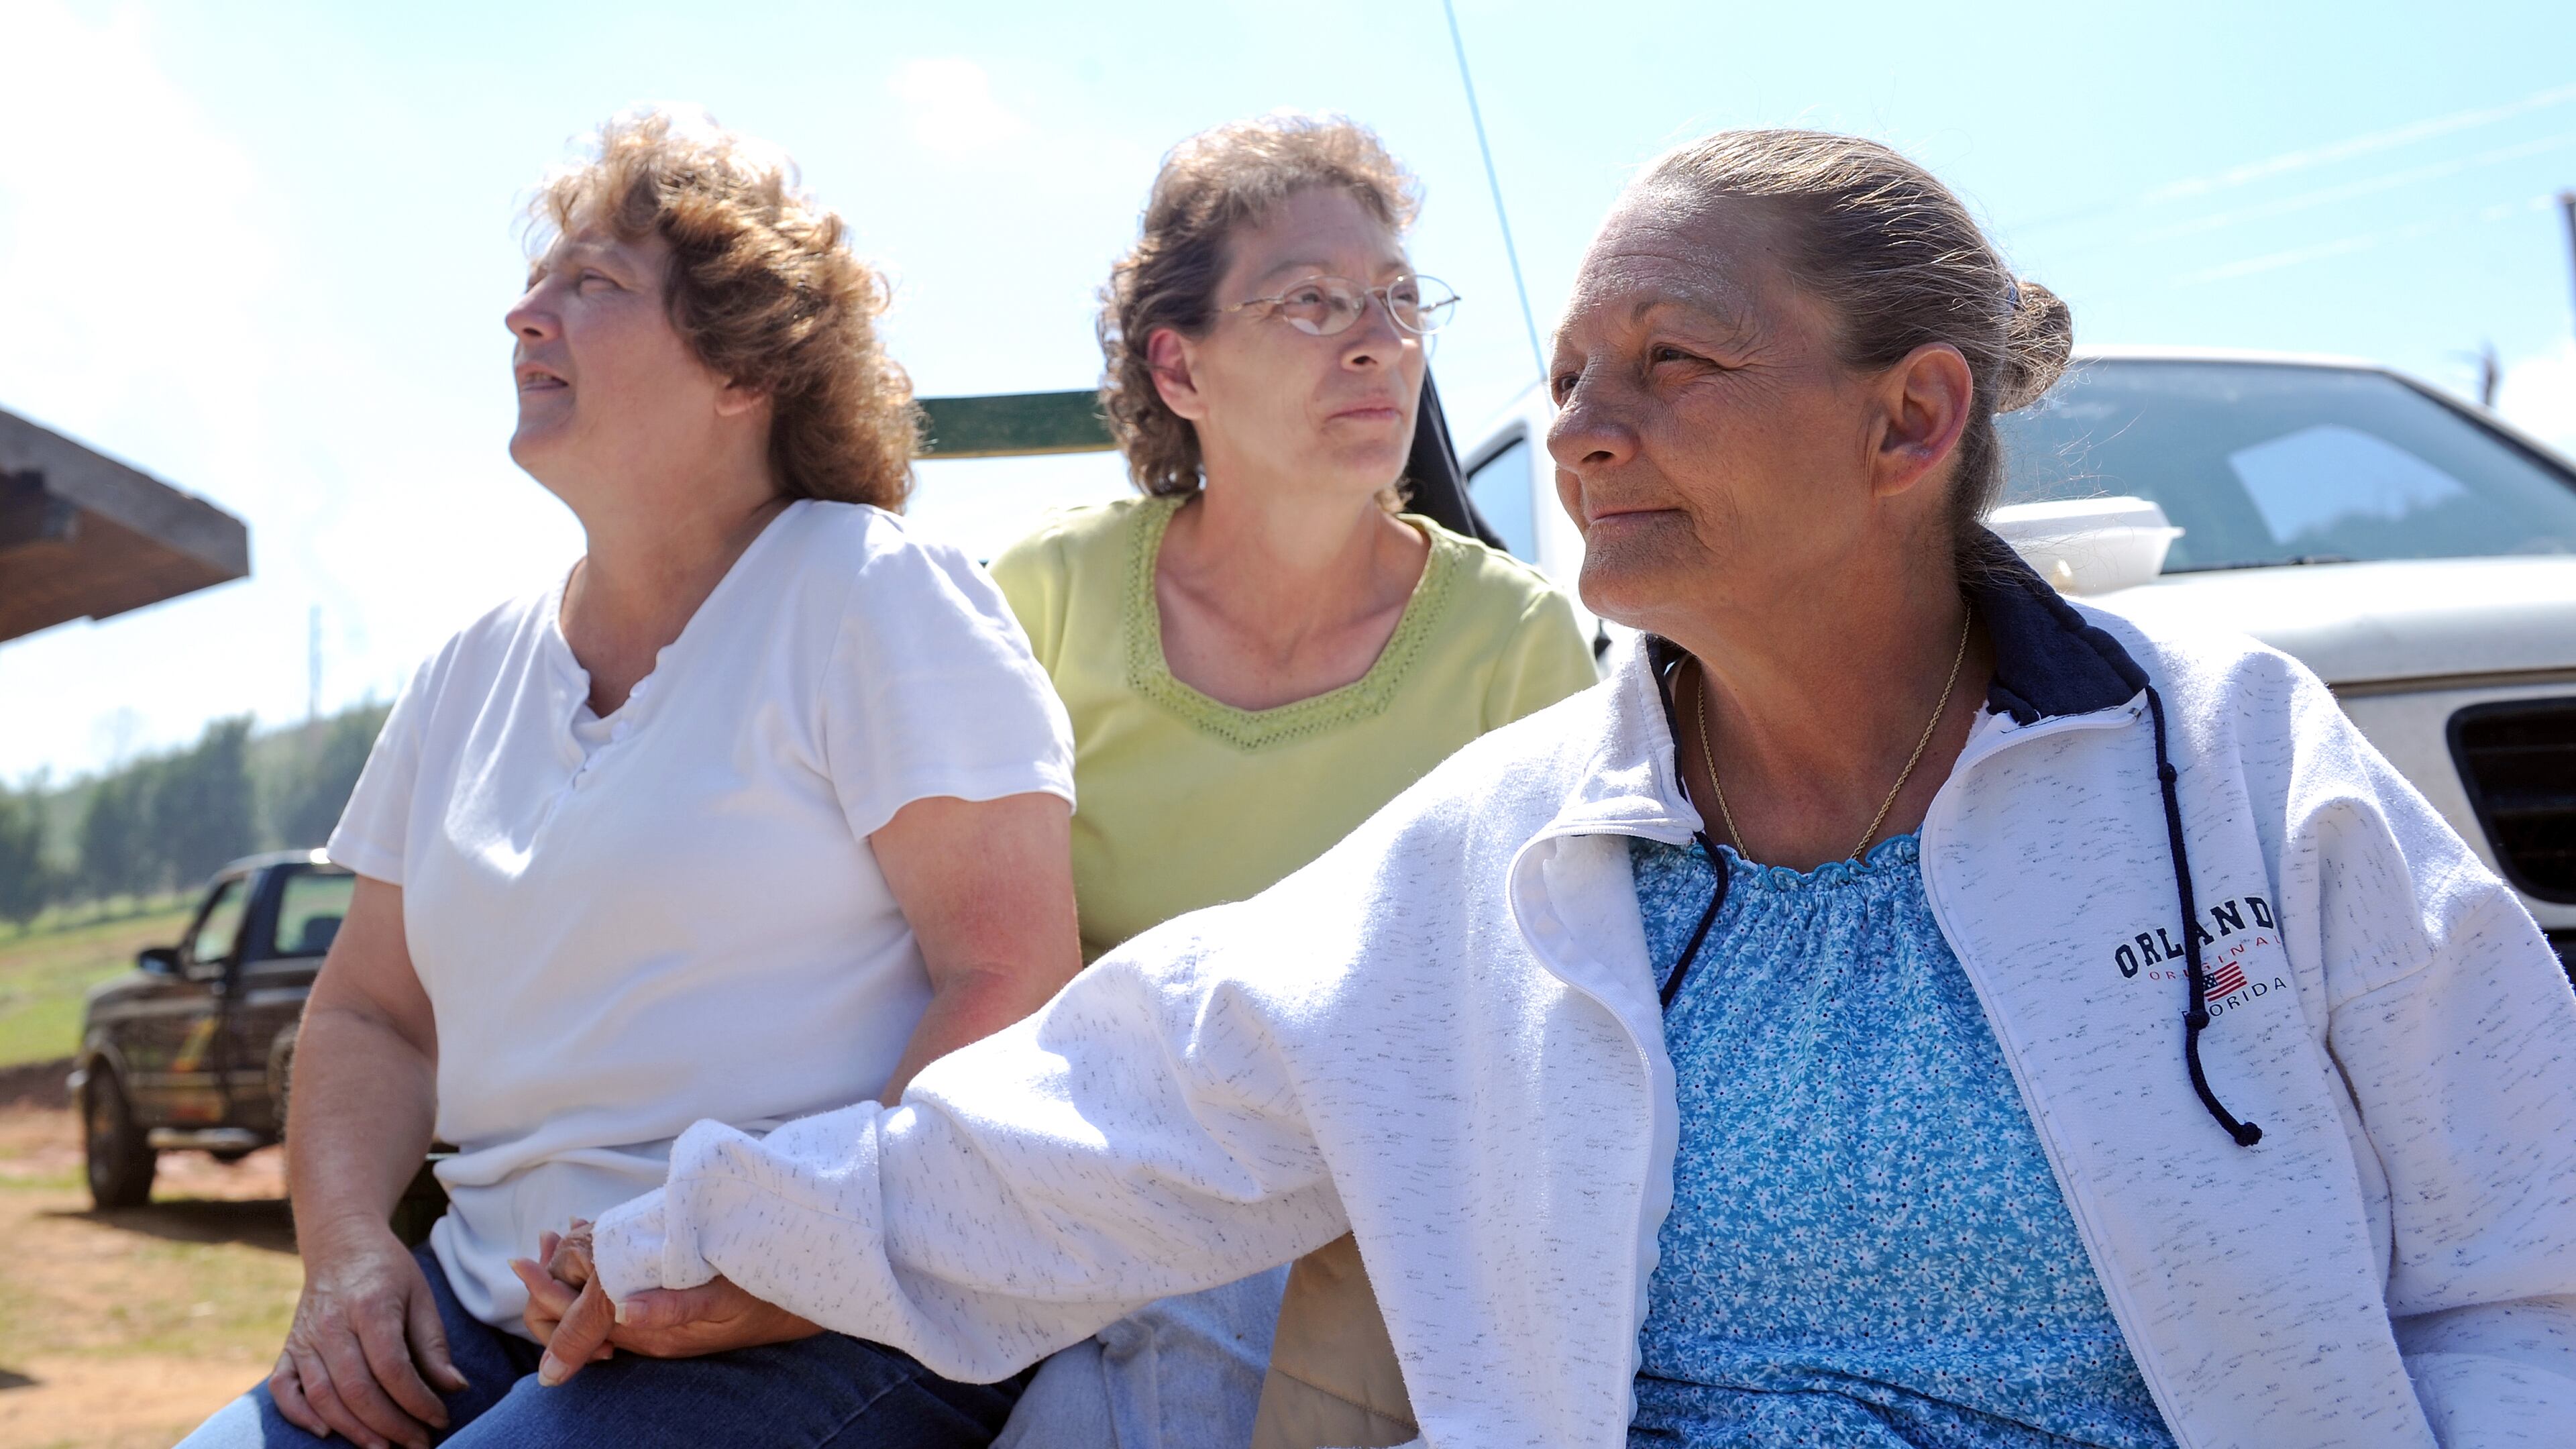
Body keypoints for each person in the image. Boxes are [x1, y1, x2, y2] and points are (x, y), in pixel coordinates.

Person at [543, 129, 2576, 1447]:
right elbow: (1110, 1116)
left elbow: (2524, 1270)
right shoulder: (1510, 855)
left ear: (1912, 418)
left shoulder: (2231, 765)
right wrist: (693, 1239)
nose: (1583, 433)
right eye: (1568, 375)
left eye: (1672, 364)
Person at [178, 107, 1081, 1449]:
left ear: (741, 369)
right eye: (542, 279)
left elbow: (1010, 983)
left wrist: (781, 1264)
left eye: (588, 284)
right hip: (481, 1318)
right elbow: (372, 1014)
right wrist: (351, 1254)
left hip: (818, 1325)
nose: (522, 315)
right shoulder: (467, 670)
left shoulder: (871, 595)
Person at [983, 114, 1597, 1449]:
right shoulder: (1040, 600)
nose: (1378, 340)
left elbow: (1546, 1019)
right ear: (1178, 363)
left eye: (1394, 299)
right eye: (1314, 302)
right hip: (1062, 1175)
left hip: (1354, 1205)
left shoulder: (1517, 644)